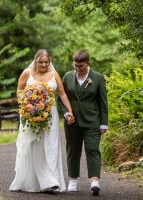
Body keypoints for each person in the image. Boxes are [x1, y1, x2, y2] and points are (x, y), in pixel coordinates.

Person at [9, 49, 75, 193]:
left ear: (50, 61)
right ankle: (37, 182)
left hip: (51, 115)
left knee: (51, 146)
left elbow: (62, 94)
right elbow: (19, 91)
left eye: (47, 62)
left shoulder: (54, 74)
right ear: (36, 60)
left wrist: (69, 111)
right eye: (41, 62)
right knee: (34, 147)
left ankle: (52, 182)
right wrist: (26, 106)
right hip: (31, 114)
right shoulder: (27, 73)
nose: (44, 64)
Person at [59, 50, 108, 196]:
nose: (78, 68)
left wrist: (104, 123)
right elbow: (60, 99)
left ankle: (94, 181)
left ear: (87, 63)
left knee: (93, 149)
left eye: (81, 66)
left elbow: (103, 102)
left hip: (92, 121)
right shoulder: (67, 77)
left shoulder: (98, 78)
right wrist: (66, 114)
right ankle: (73, 180)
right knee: (72, 151)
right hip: (72, 123)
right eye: (76, 65)